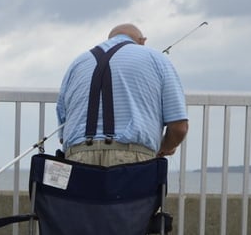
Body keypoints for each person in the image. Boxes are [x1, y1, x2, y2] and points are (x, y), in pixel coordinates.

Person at [55, 23, 188, 167]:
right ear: (142, 41)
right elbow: (179, 127)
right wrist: (165, 147)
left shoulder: (77, 63)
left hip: (77, 157)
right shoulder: (157, 59)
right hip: (132, 159)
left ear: (110, 39)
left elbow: (63, 132)